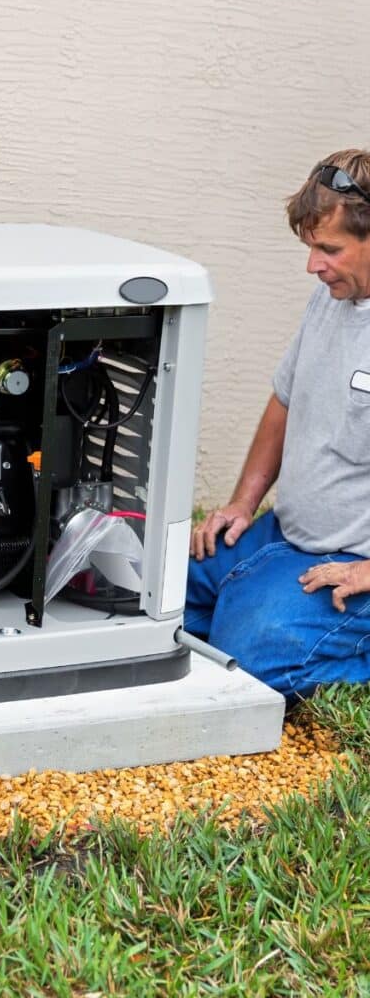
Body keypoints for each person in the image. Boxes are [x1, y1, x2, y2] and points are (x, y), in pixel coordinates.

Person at [187, 148, 370, 701]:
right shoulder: (331, 300)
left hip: (353, 562)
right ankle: (253, 590)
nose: (313, 265)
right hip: (286, 534)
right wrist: (243, 503)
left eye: (329, 249)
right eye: (311, 247)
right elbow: (283, 403)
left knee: (249, 665)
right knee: (158, 590)